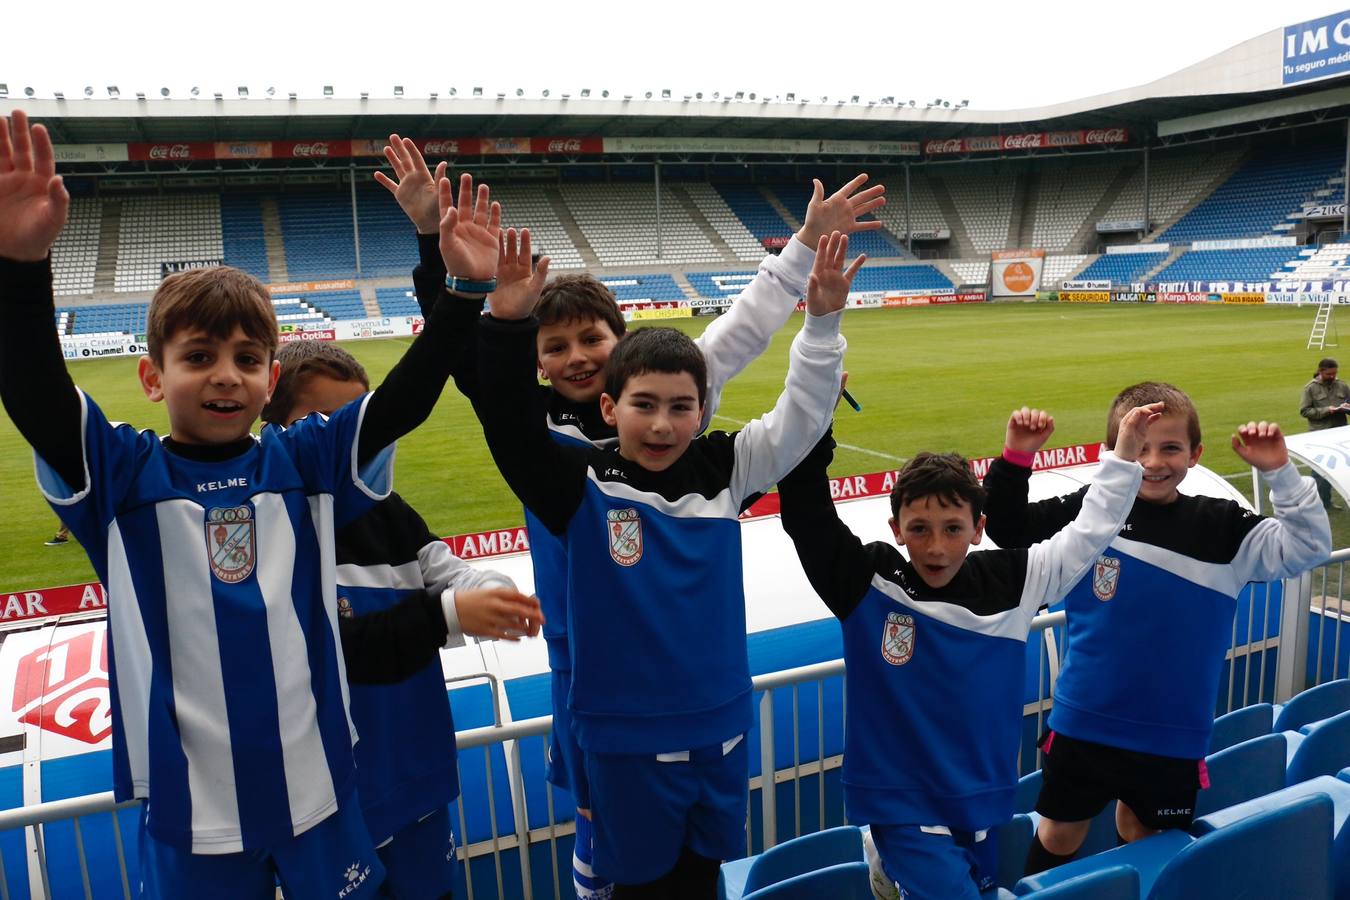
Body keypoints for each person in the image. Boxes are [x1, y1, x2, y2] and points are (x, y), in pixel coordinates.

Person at [0, 109, 524, 899]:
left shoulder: (304, 462)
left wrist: (464, 293)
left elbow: (403, 402)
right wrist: (19, 263)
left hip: (319, 797)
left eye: (248, 359)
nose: (224, 375)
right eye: (198, 357)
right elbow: (37, 394)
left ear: (270, 380)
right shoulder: (120, 476)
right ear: (153, 378)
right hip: (191, 816)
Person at [373, 133, 886, 899]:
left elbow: (741, 333)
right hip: (591, 671)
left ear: (623, 355)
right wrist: (440, 252)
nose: (578, 356)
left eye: (593, 340)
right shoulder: (551, 449)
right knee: (610, 846)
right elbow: (476, 372)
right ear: (543, 364)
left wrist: (805, 250)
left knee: (682, 862)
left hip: (692, 694)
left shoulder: (672, 410)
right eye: (558, 346)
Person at [470, 229, 857, 897]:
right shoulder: (578, 482)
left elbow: (799, 418)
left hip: (723, 728)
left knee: (703, 878)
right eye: (643, 407)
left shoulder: (725, 467)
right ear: (610, 408)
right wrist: (503, 318)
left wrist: (822, 322)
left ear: (703, 406)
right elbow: (505, 420)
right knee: (640, 886)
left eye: (681, 408)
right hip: (625, 739)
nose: (661, 425)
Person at [775, 405, 1152, 900]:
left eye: (952, 528)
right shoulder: (867, 581)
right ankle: (888, 852)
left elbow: (1088, 535)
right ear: (895, 528)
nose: (935, 547)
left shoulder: (1015, 580)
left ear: (978, 528)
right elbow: (808, 516)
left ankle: (892, 876)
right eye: (919, 529)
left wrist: (1123, 457)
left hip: (982, 799)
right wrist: (816, 415)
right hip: (900, 803)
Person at [980, 383, 1331, 876]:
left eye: (1170, 447)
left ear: (1195, 454)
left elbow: (1310, 547)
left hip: (1173, 731)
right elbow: (1008, 527)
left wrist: (1278, 471)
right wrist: (1017, 457)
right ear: (1115, 453)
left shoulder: (1223, 526)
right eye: (1139, 447)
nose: (1153, 462)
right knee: (1060, 830)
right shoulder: (1094, 511)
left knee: (1146, 835)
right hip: (1085, 719)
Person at [262, 340, 542, 900]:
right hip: (326, 805)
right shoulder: (266, 528)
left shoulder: (387, 513)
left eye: (353, 420)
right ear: (271, 422)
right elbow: (328, 649)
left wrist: (494, 592)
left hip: (416, 780)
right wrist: (447, 616)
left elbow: (451, 571)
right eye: (319, 419)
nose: (340, 437)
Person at [1299, 357, 1350, 510]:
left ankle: (1327, 502)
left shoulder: (1342, 385)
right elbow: (1304, 411)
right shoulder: (1310, 388)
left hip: (1340, 434)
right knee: (1319, 473)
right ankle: (1318, 504)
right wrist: (1327, 410)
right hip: (1319, 436)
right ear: (1320, 371)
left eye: (1334, 374)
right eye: (1329, 374)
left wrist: (1346, 407)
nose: (1332, 377)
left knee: (1342, 468)